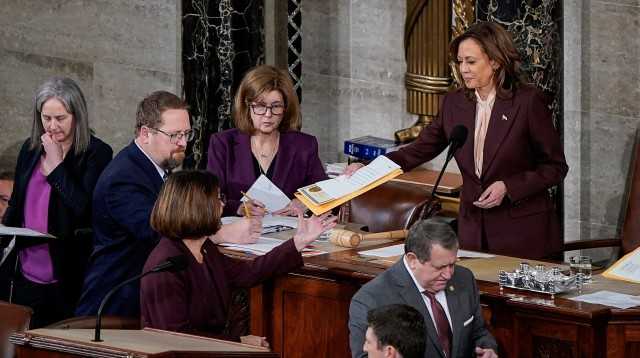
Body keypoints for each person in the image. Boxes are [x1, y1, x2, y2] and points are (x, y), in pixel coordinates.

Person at [344, 22, 568, 260]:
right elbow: (417, 151)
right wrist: (368, 168)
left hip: (521, 234)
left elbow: (555, 167)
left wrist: (509, 187)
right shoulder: (455, 103)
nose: (464, 69)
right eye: (460, 62)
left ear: (495, 61)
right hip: (473, 232)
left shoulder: (527, 102)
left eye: (471, 62)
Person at [76, 91, 261, 318]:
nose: (183, 143)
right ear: (146, 134)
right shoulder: (122, 178)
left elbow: (180, 208)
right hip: (119, 305)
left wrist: (234, 207)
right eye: (174, 135)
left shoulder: (154, 165)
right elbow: (160, 231)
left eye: (186, 133)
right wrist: (222, 233)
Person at [140, 170, 337, 341]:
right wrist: (238, 342)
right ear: (197, 207)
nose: (222, 205)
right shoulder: (166, 264)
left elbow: (247, 273)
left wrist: (298, 242)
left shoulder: (204, 247)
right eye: (218, 198)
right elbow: (175, 337)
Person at [0, 77, 113, 327]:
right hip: (25, 274)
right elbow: (17, 204)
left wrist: (57, 168)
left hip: (68, 277)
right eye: (45, 118)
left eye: (60, 118)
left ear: (77, 115)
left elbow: (84, 210)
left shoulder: (97, 153)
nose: (51, 126)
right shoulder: (29, 150)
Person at [349, 219, 498, 358]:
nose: (448, 274)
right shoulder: (372, 299)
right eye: (440, 267)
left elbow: (478, 331)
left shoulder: (464, 279)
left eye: (452, 264)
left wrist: (487, 348)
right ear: (413, 260)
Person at [207, 65, 327, 217]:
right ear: (247, 106)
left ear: (285, 109)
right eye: (260, 106)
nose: (268, 114)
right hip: (237, 233)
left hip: (287, 233)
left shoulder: (304, 145)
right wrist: (239, 208)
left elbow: (322, 191)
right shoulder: (222, 143)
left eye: (276, 106)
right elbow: (210, 199)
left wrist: (306, 202)